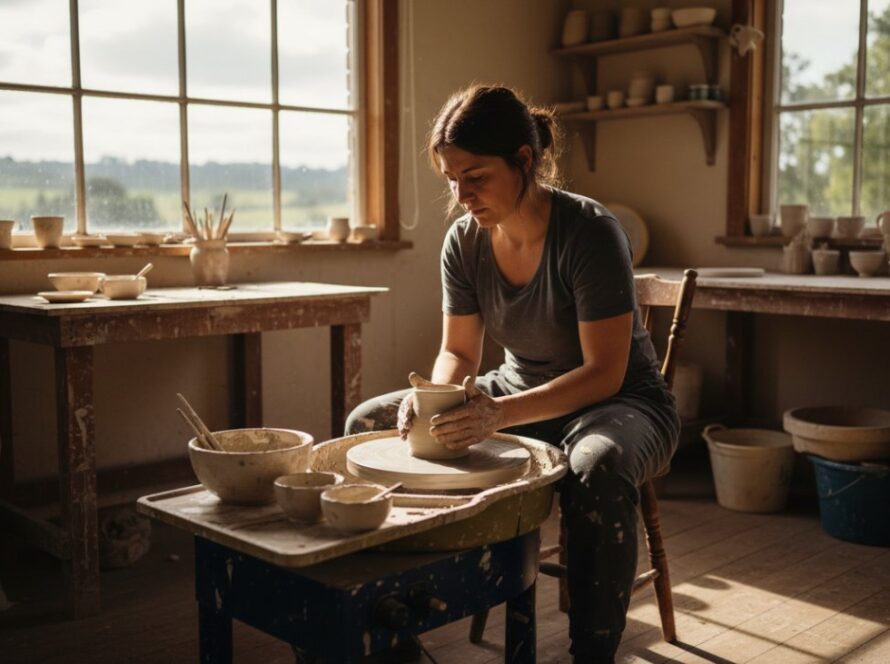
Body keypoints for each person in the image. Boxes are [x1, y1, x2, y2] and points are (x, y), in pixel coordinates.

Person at [345, 84, 679, 663]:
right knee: (368, 420)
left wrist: (496, 415)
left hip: (622, 403)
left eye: (475, 176)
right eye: (451, 179)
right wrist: (433, 396)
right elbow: (460, 352)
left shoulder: (590, 232)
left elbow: (604, 372)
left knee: (595, 467)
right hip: (519, 391)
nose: (461, 194)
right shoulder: (464, 241)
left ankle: (592, 655)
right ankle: (393, 637)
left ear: (524, 160)